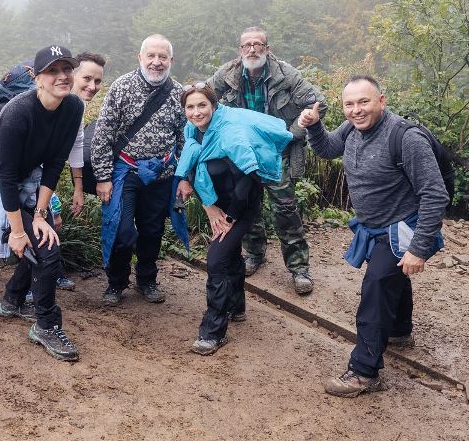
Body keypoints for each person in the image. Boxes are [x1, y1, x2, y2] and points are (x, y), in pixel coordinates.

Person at [299, 75, 449, 397]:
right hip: (375, 226)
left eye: (363, 102)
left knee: (377, 286)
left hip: (403, 228)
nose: (356, 110)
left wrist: (418, 248)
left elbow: (435, 194)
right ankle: (399, 332)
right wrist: (314, 126)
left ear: (381, 101)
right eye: (349, 104)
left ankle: (364, 372)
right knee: (392, 276)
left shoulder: (406, 138)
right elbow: (328, 148)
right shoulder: (352, 128)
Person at [207, 26, 326, 295]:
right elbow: (203, 98)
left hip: (276, 153)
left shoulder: (285, 75)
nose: (252, 49)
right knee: (248, 204)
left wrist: (292, 133)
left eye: (258, 44)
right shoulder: (227, 75)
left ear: (267, 48)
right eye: (246, 45)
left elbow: (318, 104)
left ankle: (298, 268)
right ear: (240, 50)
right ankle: (254, 254)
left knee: (285, 209)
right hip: (244, 155)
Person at [0, 45, 84, 361]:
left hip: (28, 180)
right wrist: (17, 231)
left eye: (67, 69)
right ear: (37, 78)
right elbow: (4, 175)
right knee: (47, 250)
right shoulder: (18, 112)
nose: (62, 76)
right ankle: (46, 325)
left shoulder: (73, 107)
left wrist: (40, 215)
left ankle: (12, 301)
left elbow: (55, 162)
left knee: (43, 234)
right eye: (53, 71)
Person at [176, 83, 292, 355]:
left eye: (202, 105)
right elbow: (194, 163)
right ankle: (236, 307)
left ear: (214, 106)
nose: (196, 112)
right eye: (190, 107)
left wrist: (229, 218)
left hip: (241, 205)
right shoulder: (193, 131)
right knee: (230, 254)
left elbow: (248, 181)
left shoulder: (230, 134)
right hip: (219, 203)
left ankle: (213, 332)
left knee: (216, 259)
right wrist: (204, 200)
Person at [91, 34, 187, 306]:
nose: (156, 62)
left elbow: (185, 139)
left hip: (163, 174)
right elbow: (103, 135)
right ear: (140, 58)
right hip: (126, 173)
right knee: (122, 231)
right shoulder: (122, 87)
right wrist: (103, 177)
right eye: (151, 56)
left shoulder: (179, 93)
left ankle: (147, 280)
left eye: (162, 57)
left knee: (153, 230)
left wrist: (184, 177)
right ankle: (116, 282)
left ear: (171, 60)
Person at [54, 51, 106, 292]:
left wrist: (78, 188)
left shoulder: (77, 106)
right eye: (87, 78)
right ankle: (32, 283)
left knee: (49, 217)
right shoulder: (54, 101)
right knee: (42, 216)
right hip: (25, 170)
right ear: (71, 75)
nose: (93, 86)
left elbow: (77, 145)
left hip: (46, 171)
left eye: (98, 81)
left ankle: (50, 271)